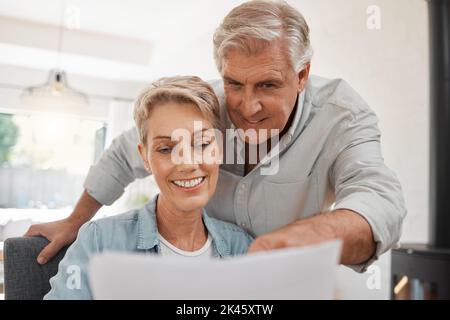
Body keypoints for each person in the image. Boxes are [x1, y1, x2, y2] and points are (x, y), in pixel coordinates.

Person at [27, 0, 406, 273]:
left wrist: (301, 240)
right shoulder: (206, 106)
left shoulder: (341, 115)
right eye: (234, 83)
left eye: (269, 85)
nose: (246, 105)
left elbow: (378, 200)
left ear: (302, 75)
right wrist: (75, 220)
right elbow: (126, 154)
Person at [44, 76, 253, 299]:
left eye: (202, 144)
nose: (188, 163)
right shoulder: (99, 241)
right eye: (165, 149)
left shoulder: (241, 247)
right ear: (145, 157)